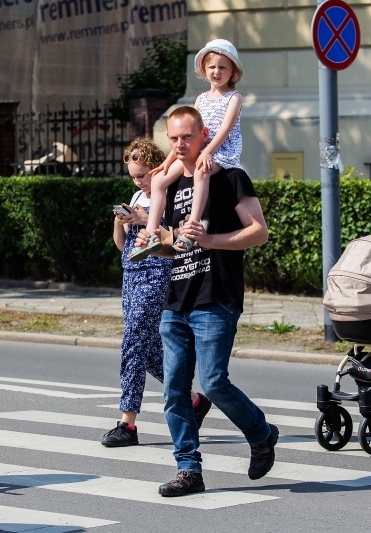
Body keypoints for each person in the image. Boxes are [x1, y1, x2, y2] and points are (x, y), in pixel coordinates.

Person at [135, 106, 277, 497]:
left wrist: (211, 240)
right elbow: (176, 248)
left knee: (213, 382)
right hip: (176, 300)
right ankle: (188, 469)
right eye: (174, 138)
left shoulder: (232, 177)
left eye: (187, 137)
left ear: (204, 135)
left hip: (217, 296)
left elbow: (259, 232)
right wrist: (154, 243)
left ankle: (261, 433)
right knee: (174, 391)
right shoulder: (176, 184)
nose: (180, 145)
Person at [102, 138, 212, 447]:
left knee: (133, 343)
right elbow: (124, 246)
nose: (138, 181)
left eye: (143, 174)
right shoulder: (138, 195)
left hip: (156, 276)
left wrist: (143, 221)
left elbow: (175, 241)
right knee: (147, 351)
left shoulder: (170, 196)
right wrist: (120, 222)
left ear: (157, 168)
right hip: (132, 276)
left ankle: (128, 423)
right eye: (133, 176)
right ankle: (193, 401)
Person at [129, 38, 244, 261]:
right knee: (160, 180)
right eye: (212, 67)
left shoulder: (234, 97)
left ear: (233, 72)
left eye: (222, 67)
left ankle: (192, 227)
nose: (216, 72)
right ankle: (153, 233)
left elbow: (225, 130)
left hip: (222, 151)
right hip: (198, 150)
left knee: (201, 171)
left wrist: (208, 152)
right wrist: (167, 162)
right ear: (204, 70)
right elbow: (188, 135)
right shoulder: (201, 99)